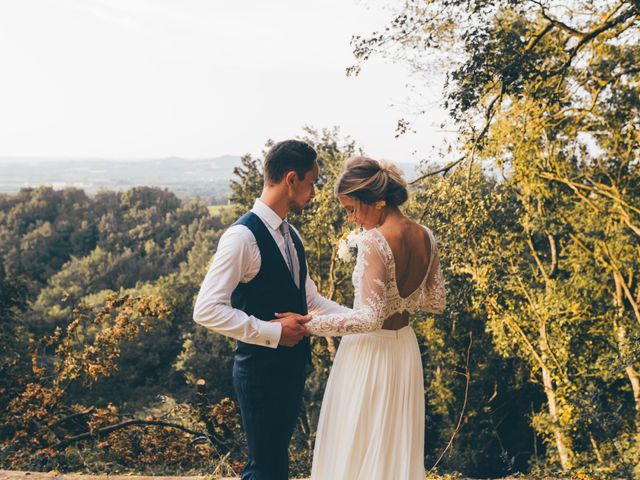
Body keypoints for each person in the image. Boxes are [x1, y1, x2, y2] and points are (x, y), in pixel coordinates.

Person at [276, 156, 446, 479]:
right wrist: (400, 299)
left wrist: (307, 323)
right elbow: (436, 301)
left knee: (356, 444)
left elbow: (368, 319)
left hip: (369, 354)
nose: (353, 220)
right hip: (404, 351)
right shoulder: (426, 236)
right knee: (391, 447)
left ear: (375, 201)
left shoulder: (374, 242)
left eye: (352, 209)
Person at [192, 139, 349, 480]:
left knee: (276, 468)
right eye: (313, 182)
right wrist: (272, 332)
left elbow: (312, 303)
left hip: (291, 371)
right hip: (259, 374)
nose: (315, 191)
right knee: (263, 470)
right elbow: (206, 309)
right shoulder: (242, 238)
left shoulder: (292, 235)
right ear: (291, 179)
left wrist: (365, 321)